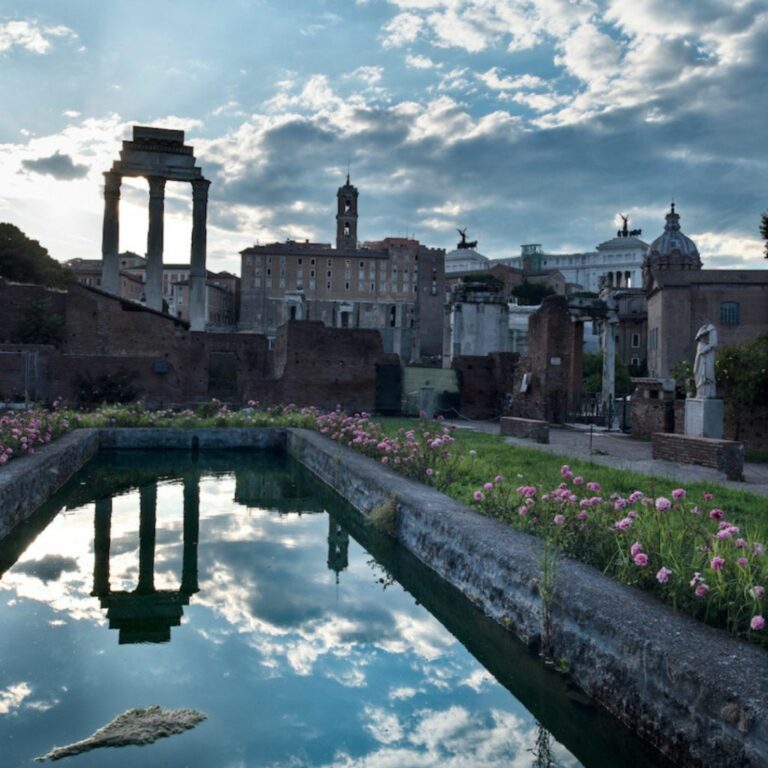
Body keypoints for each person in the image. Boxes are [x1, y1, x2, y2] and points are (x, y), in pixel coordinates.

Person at [693, 323, 717, 398]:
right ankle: (701, 393)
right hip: (700, 362)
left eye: (705, 336)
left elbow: (713, 344)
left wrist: (707, 348)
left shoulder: (709, 348)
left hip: (707, 362)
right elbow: (701, 352)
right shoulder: (700, 345)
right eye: (701, 336)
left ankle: (708, 393)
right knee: (698, 374)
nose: (703, 338)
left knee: (708, 375)